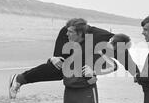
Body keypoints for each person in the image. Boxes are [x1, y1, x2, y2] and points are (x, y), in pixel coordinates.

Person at [8, 23, 137, 98]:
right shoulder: (98, 35)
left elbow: (129, 64)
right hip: (67, 34)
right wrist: (55, 57)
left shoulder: (120, 49)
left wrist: (139, 76)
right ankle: (19, 79)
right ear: (111, 41)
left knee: (67, 71)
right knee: (58, 67)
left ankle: (21, 78)